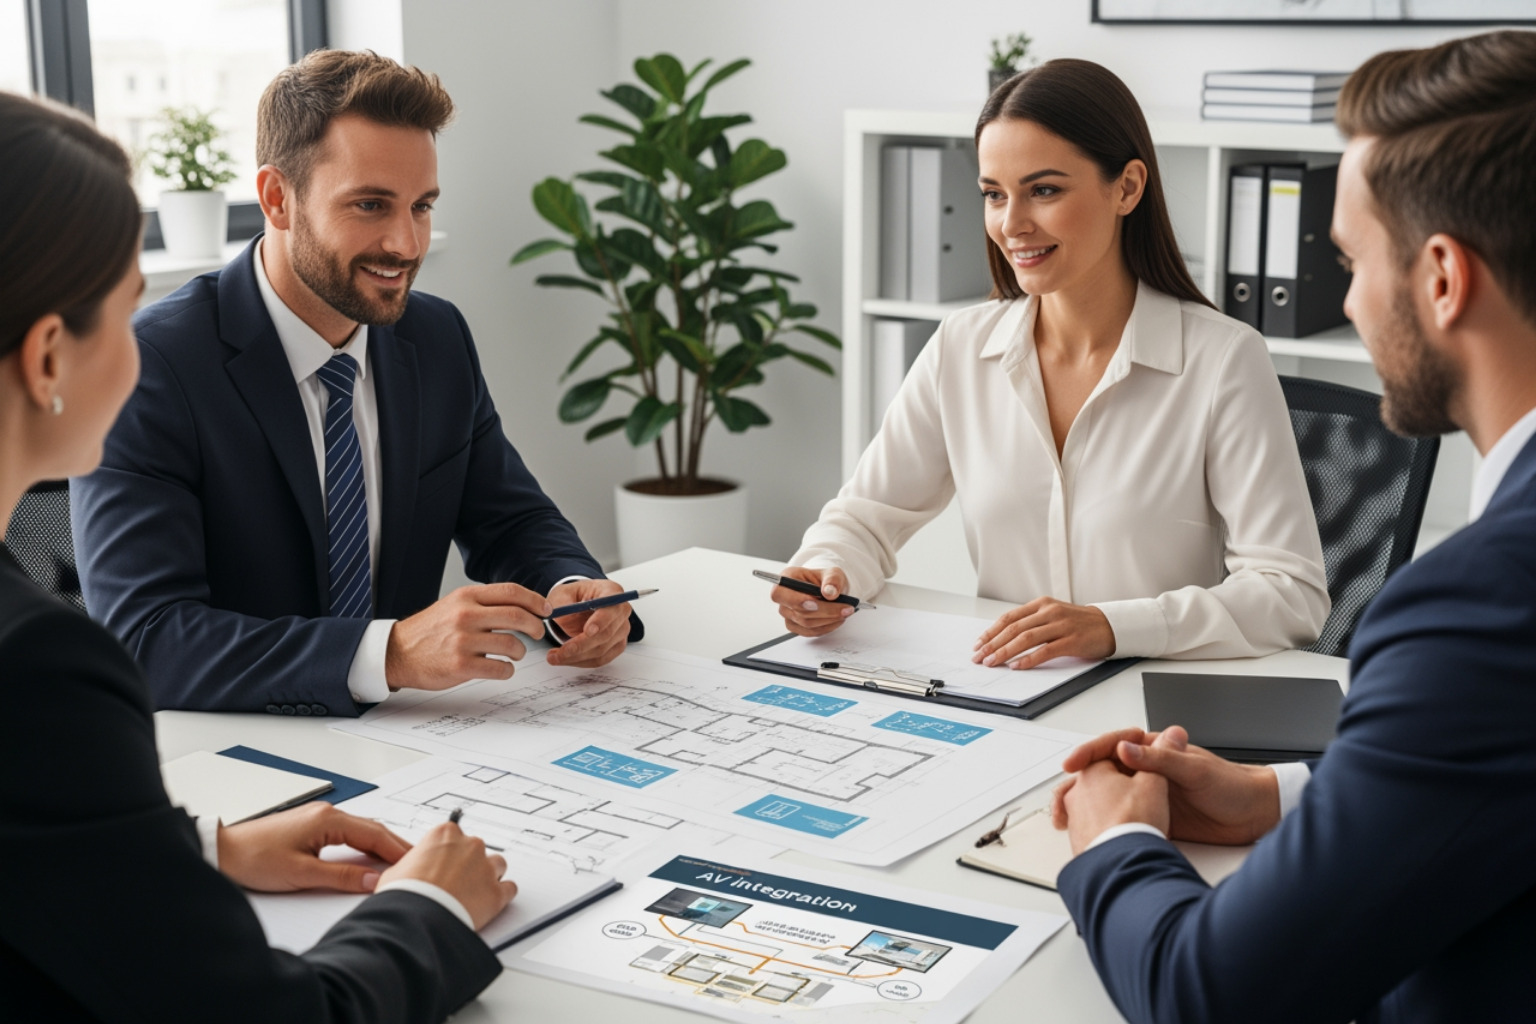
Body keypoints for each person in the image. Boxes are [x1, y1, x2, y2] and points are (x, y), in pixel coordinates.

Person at [1052, 30, 1536, 1023]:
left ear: (1443, 278)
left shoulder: (1482, 602)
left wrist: (1115, 839)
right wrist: (1282, 796)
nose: (1347, 302)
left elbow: (1212, 994)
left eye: (1353, 262)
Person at [0, 89, 515, 1022]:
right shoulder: (38, 671)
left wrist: (197, 848)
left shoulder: (432, 338)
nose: (140, 342)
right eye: (124, 311)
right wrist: (430, 905)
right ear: (47, 360)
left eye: (423, 206)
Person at [70, 49, 639, 716]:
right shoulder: (152, 365)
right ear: (278, 199)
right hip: (236, 758)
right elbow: (144, 638)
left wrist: (574, 589)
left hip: (412, 742)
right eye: (370, 205)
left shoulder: (436, 337)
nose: (405, 243)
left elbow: (510, 518)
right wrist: (389, 655)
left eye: (421, 206)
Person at [773, 60, 1328, 669]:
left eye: (1044, 190)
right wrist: (828, 572)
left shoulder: (1222, 360)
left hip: (1147, 711)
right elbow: (865, 517)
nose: (1011, 225)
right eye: (993, 194)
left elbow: (1290, 594)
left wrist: (1113, 627)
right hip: (1002, 696)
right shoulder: (961, 347)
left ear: (1127, 187)